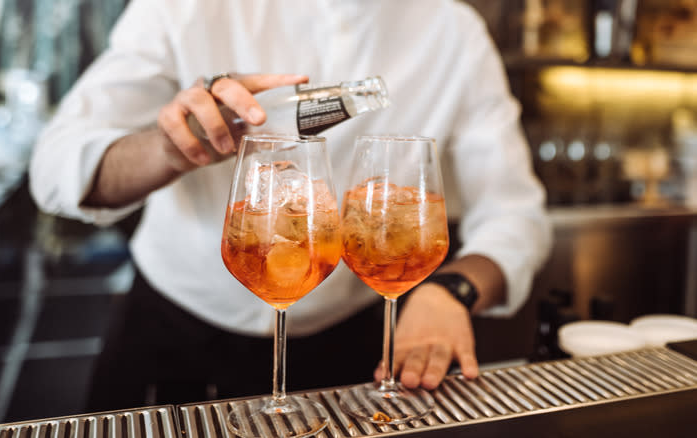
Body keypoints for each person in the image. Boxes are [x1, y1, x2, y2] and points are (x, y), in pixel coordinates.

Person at [30, 0, 552, 411]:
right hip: (174, 332)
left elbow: (516, 213)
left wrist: (451, 291)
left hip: (349, 345)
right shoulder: (186, 6)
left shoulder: (453, 32)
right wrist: (169, 149)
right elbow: (55, 170)